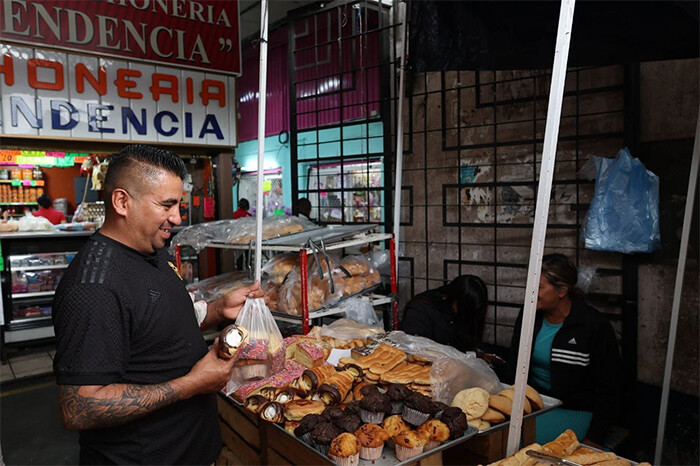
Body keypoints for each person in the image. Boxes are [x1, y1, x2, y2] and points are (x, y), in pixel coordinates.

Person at [52, 144, 264, 464]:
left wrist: (216, 310)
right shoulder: (94, 287)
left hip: (192, 449)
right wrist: (192, 384)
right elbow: (80, 408)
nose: (176, 218)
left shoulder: (151, 249)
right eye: (166, 205)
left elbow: (151, 326)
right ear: (122, 201)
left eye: (178, 204)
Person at [504, 253, 621, 447]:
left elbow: (610, 389)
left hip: (575, 410)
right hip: (534, 405)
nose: (531, 292)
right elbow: (513, 366)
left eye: (539, 287)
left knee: (524, 442)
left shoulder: (593, 326)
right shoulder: (528, 316)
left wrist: (595, 437)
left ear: (562, 291)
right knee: (500, 435)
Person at [402, 275, 488, 353]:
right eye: (469, 311)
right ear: (456, 301)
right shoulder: (420, 310)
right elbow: (418, 351)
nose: (471, 315)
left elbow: (470, 344)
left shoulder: (461, 310)